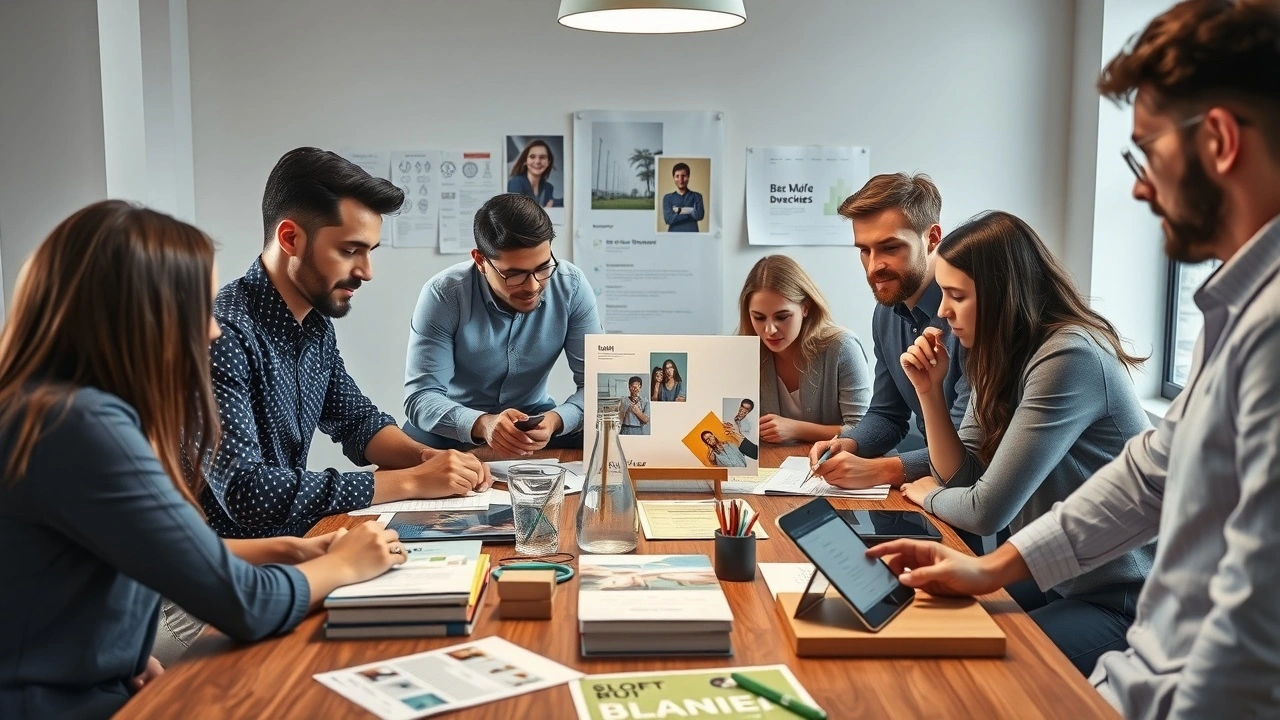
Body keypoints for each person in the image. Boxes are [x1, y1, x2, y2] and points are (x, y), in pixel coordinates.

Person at [867, 2, 1280, 716]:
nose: (1139, 185)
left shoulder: (1262, 327)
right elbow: (1150, 475)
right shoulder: (1232, 306)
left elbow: (1253, 626)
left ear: (1216, 140)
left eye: (1146, 151)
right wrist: (987, 567)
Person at [0, 201, 404, 720]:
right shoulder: (84, 426)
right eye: (197, 310)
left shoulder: (45, 407)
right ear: (140, 316)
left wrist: (287, 549)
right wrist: (343, 565)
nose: (211, 331)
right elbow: (247, 605)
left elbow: (131, 550)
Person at [896, 211, 1153, 675]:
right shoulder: (996, 351)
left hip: (1125, 596)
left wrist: (929, 496)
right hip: (1061, 574)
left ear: (1000, 296)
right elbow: (968, 476)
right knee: (930, 618)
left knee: (984, 669)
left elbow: (985, 509)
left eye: (957, 296)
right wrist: (929, 393)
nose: (941, 311)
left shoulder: (1068, 355)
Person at [205, 147, 491, 541]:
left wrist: (430, 458)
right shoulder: (222, 334)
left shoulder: (314, 322)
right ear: (290, 237)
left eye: (369, 252)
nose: (366, 272)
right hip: (231, 574)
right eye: (349, 250)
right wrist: (410, 482)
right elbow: (246, 494)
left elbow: (355, 420)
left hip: (303, 543)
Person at [404, 193, 602, 457]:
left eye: (543, 268)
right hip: (456, 424)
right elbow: (422, 397)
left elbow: (598, 385)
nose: (533, 286)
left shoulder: (571, 286)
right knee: (410, 448)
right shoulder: (444, 294)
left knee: (607, 434)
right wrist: (482, 424)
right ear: (480, 261)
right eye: (515, 275)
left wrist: (555, 420)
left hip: (534, 421)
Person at [809, 173, 970, 491]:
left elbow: (971, 447)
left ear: (933, 238)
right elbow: (888, 413)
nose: (873, 267)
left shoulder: (970, 316)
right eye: (864, 250)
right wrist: (849, 444)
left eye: (889, 247)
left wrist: (881, 470)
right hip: (936, 490)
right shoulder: (885, 314)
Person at [738, 255, 872, 444]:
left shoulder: (842, 347)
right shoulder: (744, 353)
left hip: (835, 465)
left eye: (782, 317)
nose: (769, 330)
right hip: (774, 466)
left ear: (805, 308)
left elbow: (864, 430)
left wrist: (796, 429)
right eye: (759, 318)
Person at [507, 139, 557, 208]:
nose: (537, 161)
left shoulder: (548, 188)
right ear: (525, 161)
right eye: (532, 157)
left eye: (542, 157)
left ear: (548, 162)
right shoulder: (516, 183)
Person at [661, 162, 705, 232]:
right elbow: (668, 219)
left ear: (688, 177)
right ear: (673, 178)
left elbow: (699, 215)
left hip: (692, 235)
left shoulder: (697, 196)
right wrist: (691, 210)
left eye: (683, 176)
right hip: (673, 235)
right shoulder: (668, 198)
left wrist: (679, 211)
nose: (680, 180)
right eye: (677, 176)